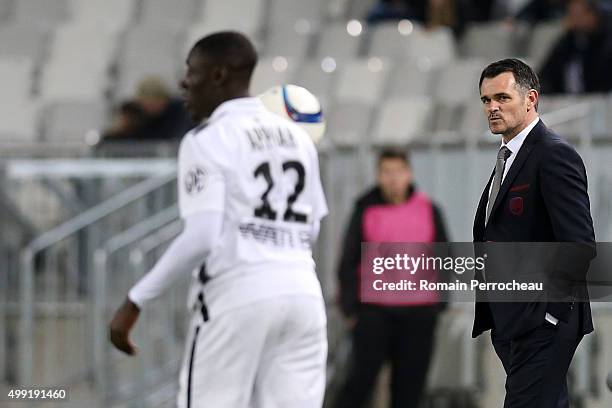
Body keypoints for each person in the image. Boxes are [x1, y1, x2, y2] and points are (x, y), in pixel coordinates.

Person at [109, 31, 329, 408]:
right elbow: (313, 226)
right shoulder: (298, 138)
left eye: (191, 72)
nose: (184, 83)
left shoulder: (206, 139)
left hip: (236, 297)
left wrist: (136, 299)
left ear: (217, 76)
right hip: (302, 295)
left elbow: (203, 237)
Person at [473, 58, 595, 407]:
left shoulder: (554, 155)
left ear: (531, 99)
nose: (492, 107)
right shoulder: (509, 156)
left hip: (542, 323)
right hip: (513, 323)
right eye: (485, 100)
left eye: (502, 97)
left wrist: (550, 315)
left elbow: (579, 245)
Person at [334, 148, 448, 408]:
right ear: (378, 175)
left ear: (408, 174)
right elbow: (349, 260)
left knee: (409, 390)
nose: (393, 178)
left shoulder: (429, 209)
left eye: (398, 171)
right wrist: (351, 310)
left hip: (419, 313)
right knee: (358, 384)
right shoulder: (365, 209)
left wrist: (440, 302)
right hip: (374, 313)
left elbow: (444, 257)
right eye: (386, 172)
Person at [539, 0, 612, 94]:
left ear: (593, 15)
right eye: (571, 14)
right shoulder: (568, 40)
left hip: (600, 98)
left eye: (579, 15)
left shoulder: (607, 43)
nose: (574, 20)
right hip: (566, 100)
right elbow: (547, 73)